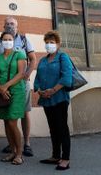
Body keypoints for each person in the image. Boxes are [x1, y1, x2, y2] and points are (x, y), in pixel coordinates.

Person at [0, 16, 37, 157]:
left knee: (24, 112)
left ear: (17, 26)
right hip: (2, 85)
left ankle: (27, 143)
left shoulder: (23, 40)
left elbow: (33, 59)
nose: (9, 26)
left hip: (19, 84)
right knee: (8, 118)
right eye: (7, 24)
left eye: (12, 24)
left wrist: (27, 74)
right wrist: (0, 85)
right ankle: (12, 146)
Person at [34, 30, 73, 171]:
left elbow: (67, 77)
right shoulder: (43, 60)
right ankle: (55, 155)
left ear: (58, 44)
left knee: (62, 128)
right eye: (47, 43)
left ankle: (65, 158)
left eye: (52, 42)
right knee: (53, 128)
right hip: (46, 99)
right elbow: (38, 78)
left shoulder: (63, 57)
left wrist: (53, 90)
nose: (49, 45)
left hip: (60, 98)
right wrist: (39, 90)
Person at [0, 30, 27, 165]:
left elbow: (21, 73)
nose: (7, 41)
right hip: (2, 92)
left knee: (12, 122)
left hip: (16, 91)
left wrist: (5, 86)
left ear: (13, 41)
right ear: (1, 42)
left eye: (10, 39)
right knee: (6, 122)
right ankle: (12, 151)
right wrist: (0, 88)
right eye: (5, 39)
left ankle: (19, 153)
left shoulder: (20, 54)